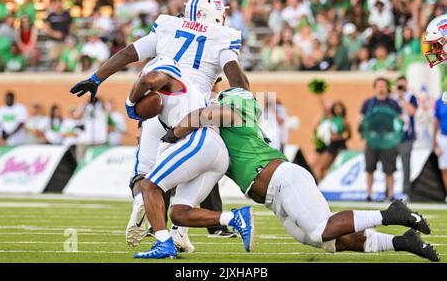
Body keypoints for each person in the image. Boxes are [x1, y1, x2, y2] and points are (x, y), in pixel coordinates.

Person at [160, 87, 438, 262]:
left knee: (322, 229)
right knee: (326, 241)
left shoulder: (232, 113)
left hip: (283, 179)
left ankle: (392, 213)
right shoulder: (235, 124)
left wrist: (172, 133)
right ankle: (403, 242)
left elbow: (207, 113)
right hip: (274, 194)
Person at [69, 0, 249, 250]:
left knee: (144, 176)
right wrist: (245, 101)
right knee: (189, 172)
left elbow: (128, 53)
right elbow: (236, 77)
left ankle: (152, 211)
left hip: (158, 109)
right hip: (194, 110)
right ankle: (178, 231)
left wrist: (96, 78)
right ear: (216, 15)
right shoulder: (222, 36)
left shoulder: (168, 27)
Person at [125, 57, 253, 259]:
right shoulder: (188, 91)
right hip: (215, 152)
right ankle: (235, 218)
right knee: (179, 213)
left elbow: (147, 81)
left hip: (199, 140)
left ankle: (163, 243)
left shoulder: (165, 70)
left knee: (150, 186)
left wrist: (130, 104)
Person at [360, 77, 402, 201]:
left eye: (383, 86)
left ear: (387, 88)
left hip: (388, 141)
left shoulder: (393, 103)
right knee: (369, 168)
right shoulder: (368, 103)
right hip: (372, 140)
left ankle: (391, 194)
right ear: (375, 87)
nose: (381, 88)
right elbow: (360, 118)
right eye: (379, 86)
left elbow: (400, 119)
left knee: (389, 170)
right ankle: (368, 194)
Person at [313, 95, 351, 182]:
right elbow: (323, 108)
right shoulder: (330, 118)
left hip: (341, 145)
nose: (338, 110)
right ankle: (320, 185)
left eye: (339, 108)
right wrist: (320, 94)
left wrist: (340, 137)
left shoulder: (344, 121)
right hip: (331, 145)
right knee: (320, 167)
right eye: (336, 108)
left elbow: (349, 135)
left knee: (340, 168)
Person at [393, 76, 418, 198]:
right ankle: (390, 191)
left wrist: (403, 98)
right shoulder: (392, 97)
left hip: (406, 136)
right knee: (389, 165)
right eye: (399, 85)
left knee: (406, 165)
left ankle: (406, 191)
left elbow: (412, 112)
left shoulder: (410, 97)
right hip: (392, 137)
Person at [432, 88, 447, 203]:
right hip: (443, 137)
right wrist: (434, 140)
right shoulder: (439, 101)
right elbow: (436, 120)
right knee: (444, 169)